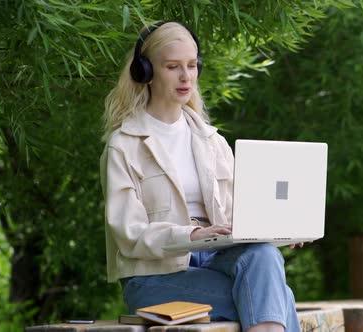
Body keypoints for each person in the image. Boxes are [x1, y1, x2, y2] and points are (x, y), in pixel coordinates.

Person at [100, 21, 302, 332]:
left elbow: (240, 216)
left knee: (264, 254)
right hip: (153, 277)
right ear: (146, 71)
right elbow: (129, 235)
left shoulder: (213, 142)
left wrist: (277, 226)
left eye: (192, 65)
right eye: (173, 67)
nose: (186, 77)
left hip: (215, 259)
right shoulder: (124, 146)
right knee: (276, 297)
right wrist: (191, 236)